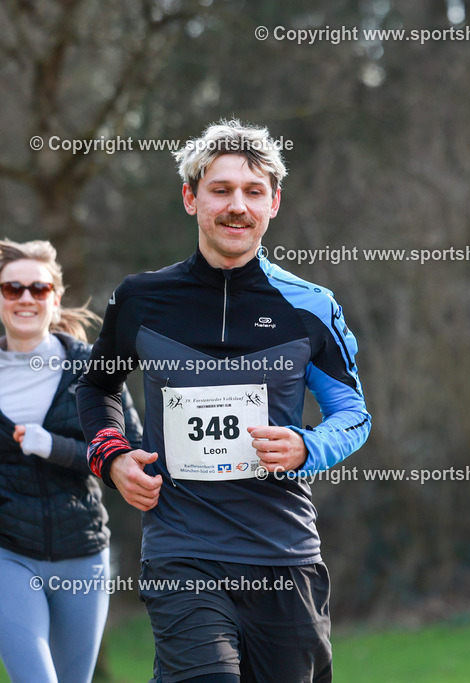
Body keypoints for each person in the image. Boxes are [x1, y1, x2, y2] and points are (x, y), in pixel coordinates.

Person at [77, 120, 372, 683]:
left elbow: (353, 414)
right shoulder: (142, 299)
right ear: (191, 198)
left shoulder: (311, 306)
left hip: (283, 555)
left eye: (253, 192)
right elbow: (96, 387)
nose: (237, 206)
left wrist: (307, 447)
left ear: (273, 203)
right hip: (181, 550)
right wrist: (111, 456)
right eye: (221, 190)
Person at [0, 239, 142, 683]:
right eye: (12, 288)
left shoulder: (92, 369)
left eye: (38, 289)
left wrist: (54, 446)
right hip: (8, 551)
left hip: (82, 552)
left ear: (55, 298)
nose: (26, 298)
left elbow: (131, 456)